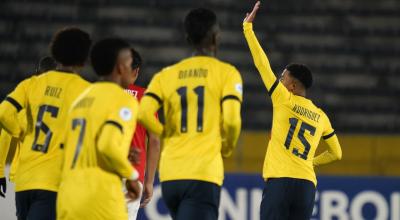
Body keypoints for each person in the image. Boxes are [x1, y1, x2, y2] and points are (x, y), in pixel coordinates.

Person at [138, 8, 243, 220]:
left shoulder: (166, 75)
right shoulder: (227, 73)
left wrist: (166, 133)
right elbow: (232, 121)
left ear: (187, 38)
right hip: (203, 173)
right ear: (216, 37)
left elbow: (143, 113)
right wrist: (227, 146)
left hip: (170, 175)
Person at [243, 2, 342, 220]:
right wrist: (311, 162)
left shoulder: (283, 98)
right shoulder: (321, 116)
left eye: (283, 77)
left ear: (293, 86)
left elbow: (262, 65)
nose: (279, 79)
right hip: (306, 185)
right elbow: (337, 153)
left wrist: (248, 30)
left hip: (280, 181)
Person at [0, 27, 92, 220]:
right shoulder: (86, 91)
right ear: (83, 59)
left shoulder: (31, 84)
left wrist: (22, 130)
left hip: (24, 181)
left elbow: (3, 112)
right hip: (54, 182)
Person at [57, 38, 141, 220]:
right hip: (100, 200)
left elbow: (67, 149)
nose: (131, 68)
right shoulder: (123, 100)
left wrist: (120, 156)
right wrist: (132, 176)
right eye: (128, 63)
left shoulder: (80, 100)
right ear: (120, 68)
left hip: (68, 199)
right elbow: (107, 145)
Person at [0, 56, 57, 198]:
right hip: (50, 177)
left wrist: (0, 172)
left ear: (37, 73)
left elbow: (5, 136)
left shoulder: (23, 108)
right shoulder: (64, 107)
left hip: (23, 176)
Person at [124, 48, 161, 220]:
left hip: (103, 175)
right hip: (132, 176)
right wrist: (149, 182)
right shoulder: (146, 97)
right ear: (136, 71)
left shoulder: (101, 93)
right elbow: (154, 141)